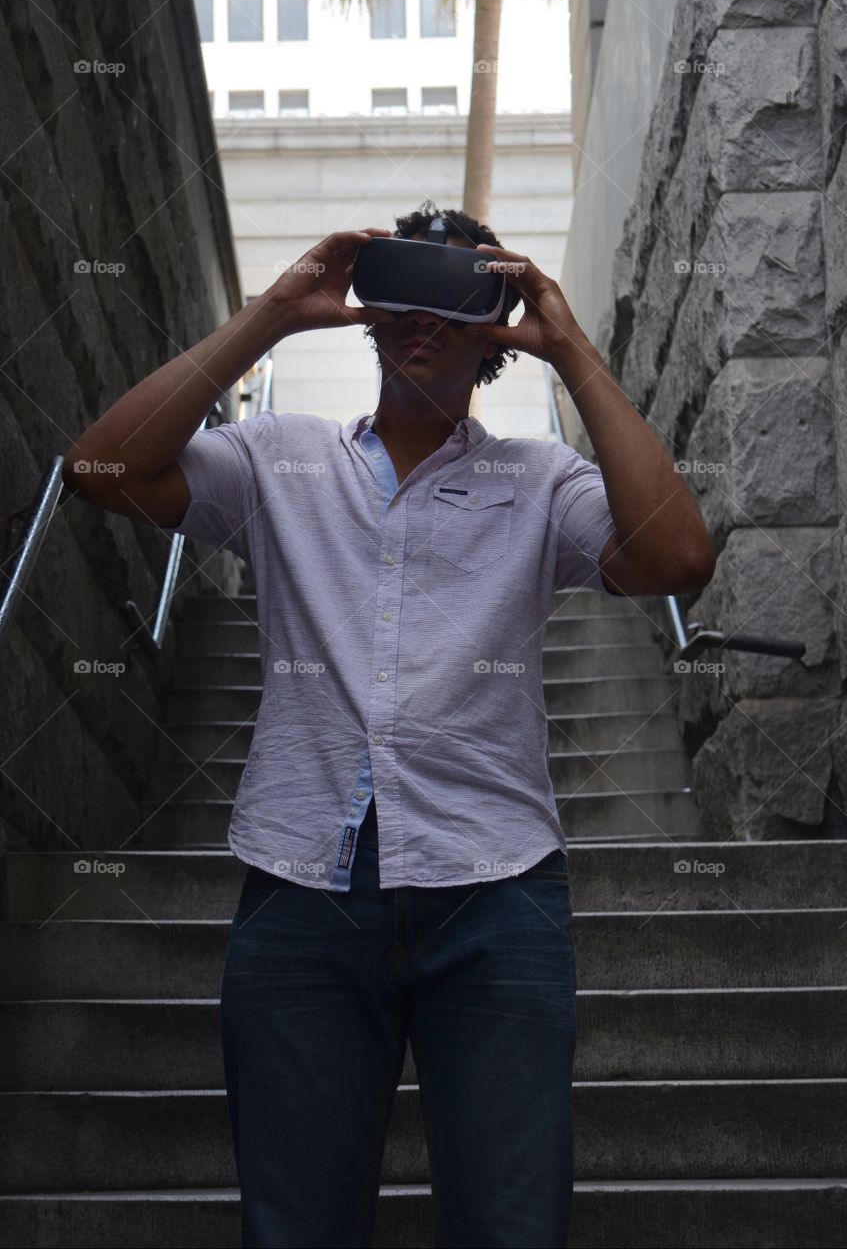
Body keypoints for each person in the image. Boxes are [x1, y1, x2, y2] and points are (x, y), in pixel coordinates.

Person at [63, 203, 715, 1248]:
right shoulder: (278, 458)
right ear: (370, 307)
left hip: (497, 894)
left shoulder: (538, 482)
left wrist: (567, 344)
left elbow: (677, 558)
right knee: (296, 1227)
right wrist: (274, 313)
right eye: (403, 285)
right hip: (300, 889)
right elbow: (99, 471)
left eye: (461, 295)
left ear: (494, 321)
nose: (426, 314)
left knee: (511, 1225)